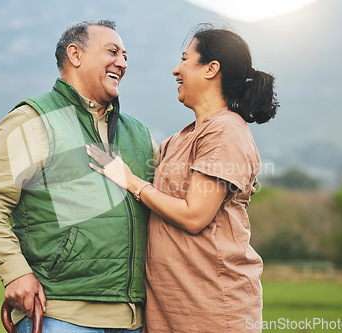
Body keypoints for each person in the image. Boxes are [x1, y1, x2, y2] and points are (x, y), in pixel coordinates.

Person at [0, 20, 159, 333]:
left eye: (125, 56)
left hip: (134, 320)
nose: (122, 62)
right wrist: (14, 272)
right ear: (75, 54)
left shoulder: (139, 134)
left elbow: (171, 201)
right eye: (112, 51)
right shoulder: (33, 118)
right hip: (60, 315)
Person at [86, 24, 279, 332]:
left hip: (213, 307)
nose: (176, 70)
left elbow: (194, 216)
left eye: (185, 59)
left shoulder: (225, 131)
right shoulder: (178, 140)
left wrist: (132, 181)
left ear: (211, 69)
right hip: (170, 309)